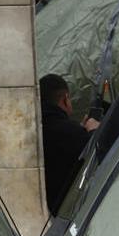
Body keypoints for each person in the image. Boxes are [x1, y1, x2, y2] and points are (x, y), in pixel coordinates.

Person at [40, 73, 95, 215]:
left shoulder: (31, 132)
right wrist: (93, 133)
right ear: (65, 99)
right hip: (65, 215)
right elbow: (96, 155)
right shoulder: (73, 134)